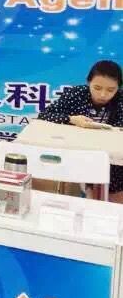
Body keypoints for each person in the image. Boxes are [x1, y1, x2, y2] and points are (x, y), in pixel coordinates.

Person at [37, 60, 123, 201]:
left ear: (118, 88)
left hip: (112, 162)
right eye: (97, 88)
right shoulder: (77, 94)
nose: (103, 95)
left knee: (113, 196)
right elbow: (44, 115)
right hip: (77, 155)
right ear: (89, 82)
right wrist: (71, 119)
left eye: (110, 90)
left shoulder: (121, 100)